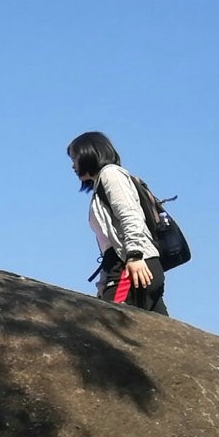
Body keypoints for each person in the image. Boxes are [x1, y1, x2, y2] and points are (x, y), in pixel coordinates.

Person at [67, 131, 169, 314]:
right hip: (128, 267)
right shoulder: (102, 183)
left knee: (110, 323)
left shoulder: (111, 174)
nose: (72, 165)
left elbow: (130, 214)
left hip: (132, 268)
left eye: (74, 158)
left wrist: (135, 255)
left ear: (88, 153)